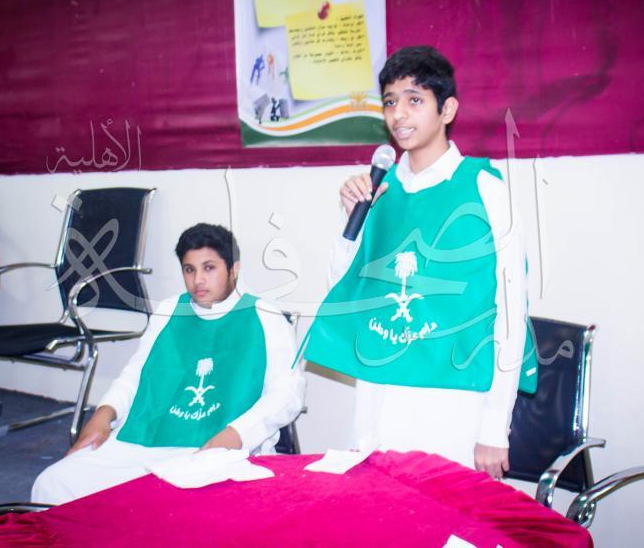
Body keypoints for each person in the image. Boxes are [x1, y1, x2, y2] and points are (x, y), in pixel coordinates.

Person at [302, 46, 536, 479]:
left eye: (414, 99)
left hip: (453, 401)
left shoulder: (485, 188)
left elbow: (510, 311)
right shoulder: (380, 190)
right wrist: (352, 218)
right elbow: (344, 288)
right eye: (390, 101)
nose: (399, 115)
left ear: (447, 109)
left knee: (449, 513)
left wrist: (494, 426)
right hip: (380, 394)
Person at [32, 223, 306, 504]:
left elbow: (288, 394)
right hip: (148, 437)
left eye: (209, 268)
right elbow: (136, 374)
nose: (198, 280)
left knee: (172, 504)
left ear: (233, 269)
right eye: (189, 269)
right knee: (53, 483)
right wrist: (104, 413)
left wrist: (236, 434)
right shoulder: (169, 311)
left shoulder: (265, 317)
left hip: (216, 447)